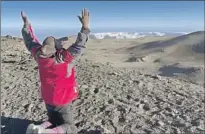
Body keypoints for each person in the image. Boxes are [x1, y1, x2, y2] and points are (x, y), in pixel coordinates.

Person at [21, 8, 90, 134]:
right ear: (56, 50)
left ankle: (39, 128)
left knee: (53, 119)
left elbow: (30, 41)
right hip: (62, 98)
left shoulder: (38, 54)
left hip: (48, 97)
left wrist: (27, 26)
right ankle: (47, 132)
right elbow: (79, 46)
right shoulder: (63, 58)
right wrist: (85, 28)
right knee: (70, 127)